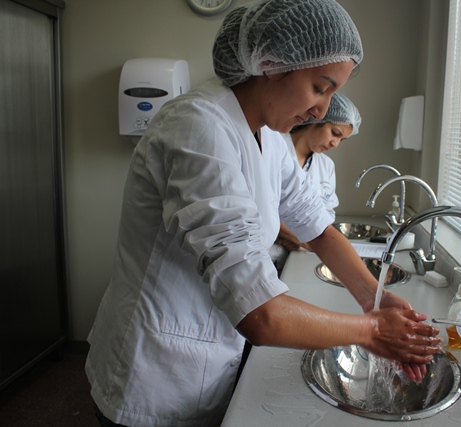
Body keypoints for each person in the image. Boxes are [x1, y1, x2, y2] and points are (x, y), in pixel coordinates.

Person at [85, 1, 442, 426]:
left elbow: (317, 227)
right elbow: (261, 315)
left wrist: (373, 297)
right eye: (320, 87)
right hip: (153, 370)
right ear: (272, 63)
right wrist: (375, 331)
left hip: (209, 356)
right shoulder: (198, 127)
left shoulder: (270, 136)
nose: (322, 110)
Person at [273, 91, 360, 257]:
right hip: (267, 252)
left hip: (300, 254)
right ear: (316, 120)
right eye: (335, 133)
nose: (335, 144)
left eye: (342, 140)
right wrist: (301, 239)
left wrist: (297, 239)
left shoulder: (326, 165)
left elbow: (325, 215)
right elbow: (262, 209)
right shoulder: (275, 147)